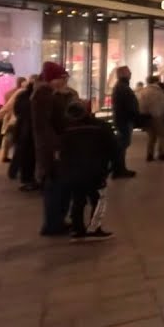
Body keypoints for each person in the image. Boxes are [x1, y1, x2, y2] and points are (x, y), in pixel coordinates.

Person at [59, 101, 116, 241]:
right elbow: (113, 147)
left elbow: (63, 153)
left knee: (78, 199)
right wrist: (110, 166)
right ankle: (94, 228)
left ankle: (77, 229)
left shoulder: (66, 131)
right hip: (96, 170)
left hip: (74, 171)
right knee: (98, 199)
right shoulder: (100, 127)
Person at [31, 62, 76, 236]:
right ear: (52, 78)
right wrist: (56, 147)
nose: (64, 81)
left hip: (53, 146)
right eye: (61, 78)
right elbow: (45, 126)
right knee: (56, 186)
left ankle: (56, 221)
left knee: (58, 186)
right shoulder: (43, 94)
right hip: (52, 148)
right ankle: (53, 224)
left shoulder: (49, 93)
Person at [9, 75, 39, 189]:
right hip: (30, 129)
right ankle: (28, 179)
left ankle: (23, 177)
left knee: (23, 153)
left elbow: (16, 110)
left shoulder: (22, 95)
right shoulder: (36, 97)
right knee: (28, 155)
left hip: (22, 128)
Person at [110, 66, 139, 179]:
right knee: (122, 145)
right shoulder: (122, 87)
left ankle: (119, 169)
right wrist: (134, 115)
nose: (130, 73)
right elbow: (128, 105)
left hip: (122, 119)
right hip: (124, 120)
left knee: (122, 144)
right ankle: (119, 170)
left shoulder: (121, 87)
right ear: (123, 74)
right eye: (128, 72)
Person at [139, 75, 164, 161]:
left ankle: (149, 154)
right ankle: (162, 153)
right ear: (156, 81)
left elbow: (141, 104)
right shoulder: (158, 91)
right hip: (158, 115)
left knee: (151, 136)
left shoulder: (143, 91)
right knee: (162, 135)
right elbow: (162, 104)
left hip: (146, 116)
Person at [0, 76, 27, 162]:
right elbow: (8, 105)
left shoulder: (9, 93)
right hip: (14, 117)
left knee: (8, 137)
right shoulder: (21, 93)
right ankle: (10, 156)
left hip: (10, 117)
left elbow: (6, 105)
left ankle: (5, 155)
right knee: (12, 137)